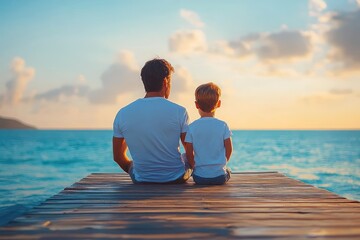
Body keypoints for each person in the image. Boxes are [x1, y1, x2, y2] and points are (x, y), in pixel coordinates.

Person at [113, 58, 192, 184]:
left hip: (141, 178)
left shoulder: (123, 113)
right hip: (175, 177)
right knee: (186, 158)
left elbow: (118, 156)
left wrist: (134, 169)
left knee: (135, 165)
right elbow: (190, 151)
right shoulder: (179, 111)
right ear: (166, 82)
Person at [185, 82, 232, 185]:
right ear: (218, 103)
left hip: (199, 178)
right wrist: (222, 164)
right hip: (219, 177)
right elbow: (229, 149)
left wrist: (194, 167)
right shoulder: (223, 125)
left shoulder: (192, 127)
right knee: (228, 171)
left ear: (196, 105)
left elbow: (189, 153)